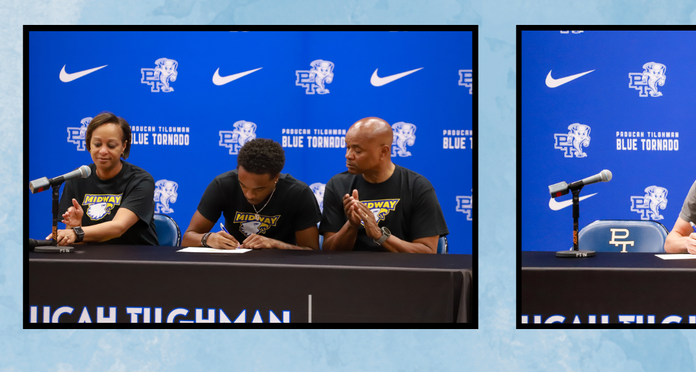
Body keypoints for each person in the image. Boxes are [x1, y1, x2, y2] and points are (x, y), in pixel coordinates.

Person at [320, 117, 448, 253]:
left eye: (357, 151)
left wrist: (380, 236)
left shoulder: (417, 187)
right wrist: (351, 225)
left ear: (383, 152)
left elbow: (428, 252)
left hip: (402, 272)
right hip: (351, 272)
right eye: (347, 147)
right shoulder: (337, 185)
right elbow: (329, 252)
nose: (348, 155)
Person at [182, 138, 320, 250]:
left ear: (276, 178)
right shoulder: (223, 185)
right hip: (233, 267)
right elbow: (188, 238)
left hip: (281, 269)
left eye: (259, 189)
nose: (249, 195)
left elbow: (311, 251)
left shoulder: (298, 193)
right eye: (243, 185)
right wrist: (208, 239)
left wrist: (274, 244)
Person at [47, 112, 158, 246]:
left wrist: (77, 232)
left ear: (123, 146)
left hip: (136, 260)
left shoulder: (140, 180)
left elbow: (118, 228)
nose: (103, 151)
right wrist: (76, 225)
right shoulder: (76, 178)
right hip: (91, 261)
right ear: (89, 144)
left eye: (111, 145)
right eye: (97, 144)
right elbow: (74, 243)